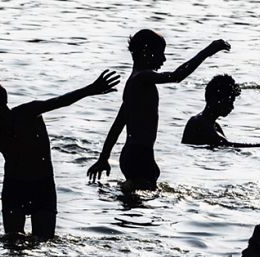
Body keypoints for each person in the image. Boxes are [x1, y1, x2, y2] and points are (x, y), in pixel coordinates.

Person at [0, 70, 120, 239]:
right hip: (14, 190)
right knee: (12, 245)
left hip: (43, 188)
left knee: (44, 244)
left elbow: (61, 101)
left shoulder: (27, 113)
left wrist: (91, 89)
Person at [87, 29, 230, 191]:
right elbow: (177, 76)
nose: (164, 58)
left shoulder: (133, 83)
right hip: (139, 155)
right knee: (142, 202)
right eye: (160, 53)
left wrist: (103, 158)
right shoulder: (142, 78)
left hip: (133, 155)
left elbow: (118, 124)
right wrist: (207, 52)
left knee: (138, 201)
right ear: (145, 51)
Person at [182, 74, 260, 147]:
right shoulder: (199, 122)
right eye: (229, 101)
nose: (232, 107)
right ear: (215, 99)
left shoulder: (215, 125)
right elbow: (226, 146)